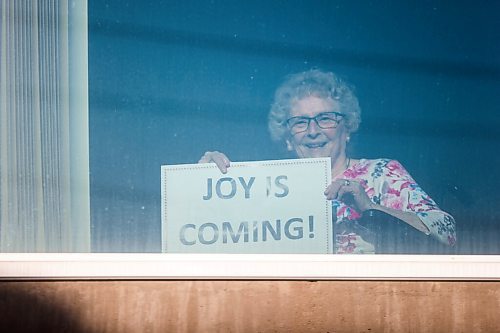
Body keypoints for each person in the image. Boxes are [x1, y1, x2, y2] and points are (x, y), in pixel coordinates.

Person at [199, 69, 456, 254]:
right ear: (288, 138)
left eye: (326, 118)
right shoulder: (267, 190)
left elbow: (447, 233)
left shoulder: (382, 174)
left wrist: (371, 209)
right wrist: (205, 187)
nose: (313, 130)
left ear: (347, 128)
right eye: (300, 122)